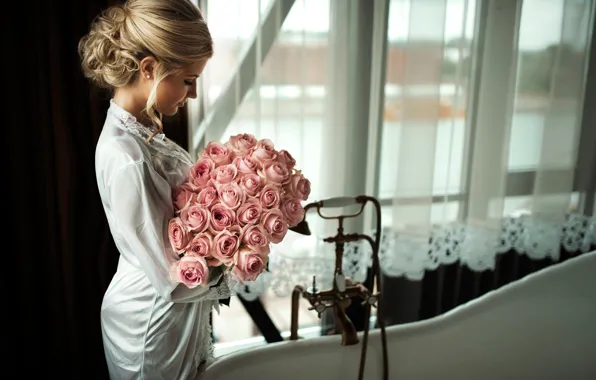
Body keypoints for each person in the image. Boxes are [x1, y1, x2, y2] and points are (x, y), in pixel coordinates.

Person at [78, 1, 232, 378]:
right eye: (188, 80)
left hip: (172, 314)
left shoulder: (144, 133)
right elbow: (170, 277)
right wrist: (240, 248)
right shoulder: (126, 155)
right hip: (150, 321)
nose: (192, 94)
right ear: (150, 69)